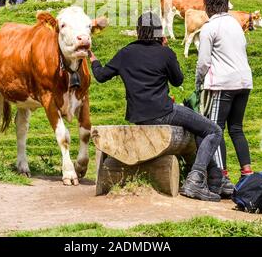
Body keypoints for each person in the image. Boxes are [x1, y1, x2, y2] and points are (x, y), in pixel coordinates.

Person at [89, 11, 225, 202]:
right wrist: (168, 52)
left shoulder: (126, 53)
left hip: (138, 116)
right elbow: (178, 81)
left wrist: (94, 61)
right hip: (164, 112)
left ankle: (215, 178)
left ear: (138, 31)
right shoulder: (164, 53)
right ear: (160, 34)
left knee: (197, 128)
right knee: (213, 131)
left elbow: (101, 76)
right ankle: (196, 180)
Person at [196, 0, 253, 185]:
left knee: (215, 129)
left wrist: (198, 82)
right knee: (236, 128)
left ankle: (222, 176)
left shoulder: (209, 27)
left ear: (208, 6)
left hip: (223, 83)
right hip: (245, 81)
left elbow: (203, 62)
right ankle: (247, 173)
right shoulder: (236, 24)